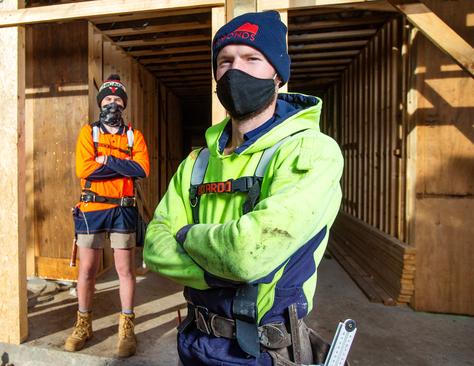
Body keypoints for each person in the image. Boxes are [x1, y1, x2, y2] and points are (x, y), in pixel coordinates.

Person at [144, 11, 344, 365]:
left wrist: (187, 235)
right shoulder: (197, 162)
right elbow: (154, 247)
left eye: (252, 58)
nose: (236, 71)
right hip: (193, 341)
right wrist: (221, 266)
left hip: (261, 351)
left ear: (278, 74)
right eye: (225, 61)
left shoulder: (311, 152)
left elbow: (246, 256)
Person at [65, 74, 150, 358]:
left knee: (126, 270)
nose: (112, 103)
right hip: (91, 209)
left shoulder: (133, 135)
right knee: (87, 270)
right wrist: (123, 165)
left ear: (123, 104)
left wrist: (106, 161)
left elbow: (142, 170)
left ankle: (126, 325)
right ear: (100, 102)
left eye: (117, 99)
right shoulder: (88, 133)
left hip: (123, 209)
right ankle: (83, 323)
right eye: (107, 99)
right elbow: (84, 170)